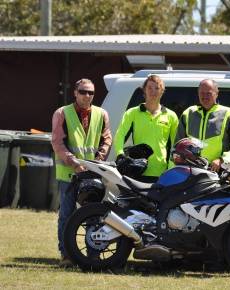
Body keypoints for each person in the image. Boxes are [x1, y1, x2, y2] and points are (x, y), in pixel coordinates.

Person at [51, 78, 112, 266]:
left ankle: (93, 254)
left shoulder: (101, 114)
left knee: (93, 215)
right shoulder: (62, 113)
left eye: (91, 93)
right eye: (83, 92)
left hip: (92, 174)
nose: (87, 96)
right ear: (75, 93)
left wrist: (98, 160)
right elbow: (57, 142)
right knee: (67, 216)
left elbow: (107, 139)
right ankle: (67, 255)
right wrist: (74, 163)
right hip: (69, 174)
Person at [113, 75, 178, 182]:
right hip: (137, 169)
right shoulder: (132, 113)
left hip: (161, 171)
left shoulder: (171, 116)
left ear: (162, 91)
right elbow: (120, 135)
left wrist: (171, 167)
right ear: (144, 90)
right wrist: (120, 154)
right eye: (150, 88)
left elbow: (175, 145)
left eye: (157, 88)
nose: (153, 91)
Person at [175, 79, 230, 172]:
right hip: (192, 172)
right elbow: (177, 145)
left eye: (209, 93)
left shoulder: (229, 114)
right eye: (202, 93)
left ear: (216, 93)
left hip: (219, 173)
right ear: (198, 93)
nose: (205, 96)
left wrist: (222, 160)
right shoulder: (188, 113)